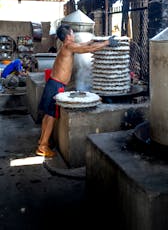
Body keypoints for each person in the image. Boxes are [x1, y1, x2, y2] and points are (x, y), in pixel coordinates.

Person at [36, 24, 119, 158]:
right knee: (51, 116)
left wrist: (96, 40)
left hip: (52, 83)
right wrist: (107, 43)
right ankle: (42, 147)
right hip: (56, 85)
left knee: (48, 115)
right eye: (73, 33)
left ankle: (42, 140)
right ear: (68, 35)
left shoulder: (66, 46)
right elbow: (88, 49)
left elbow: (86, 44)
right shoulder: (69, 46)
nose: (74, 35)